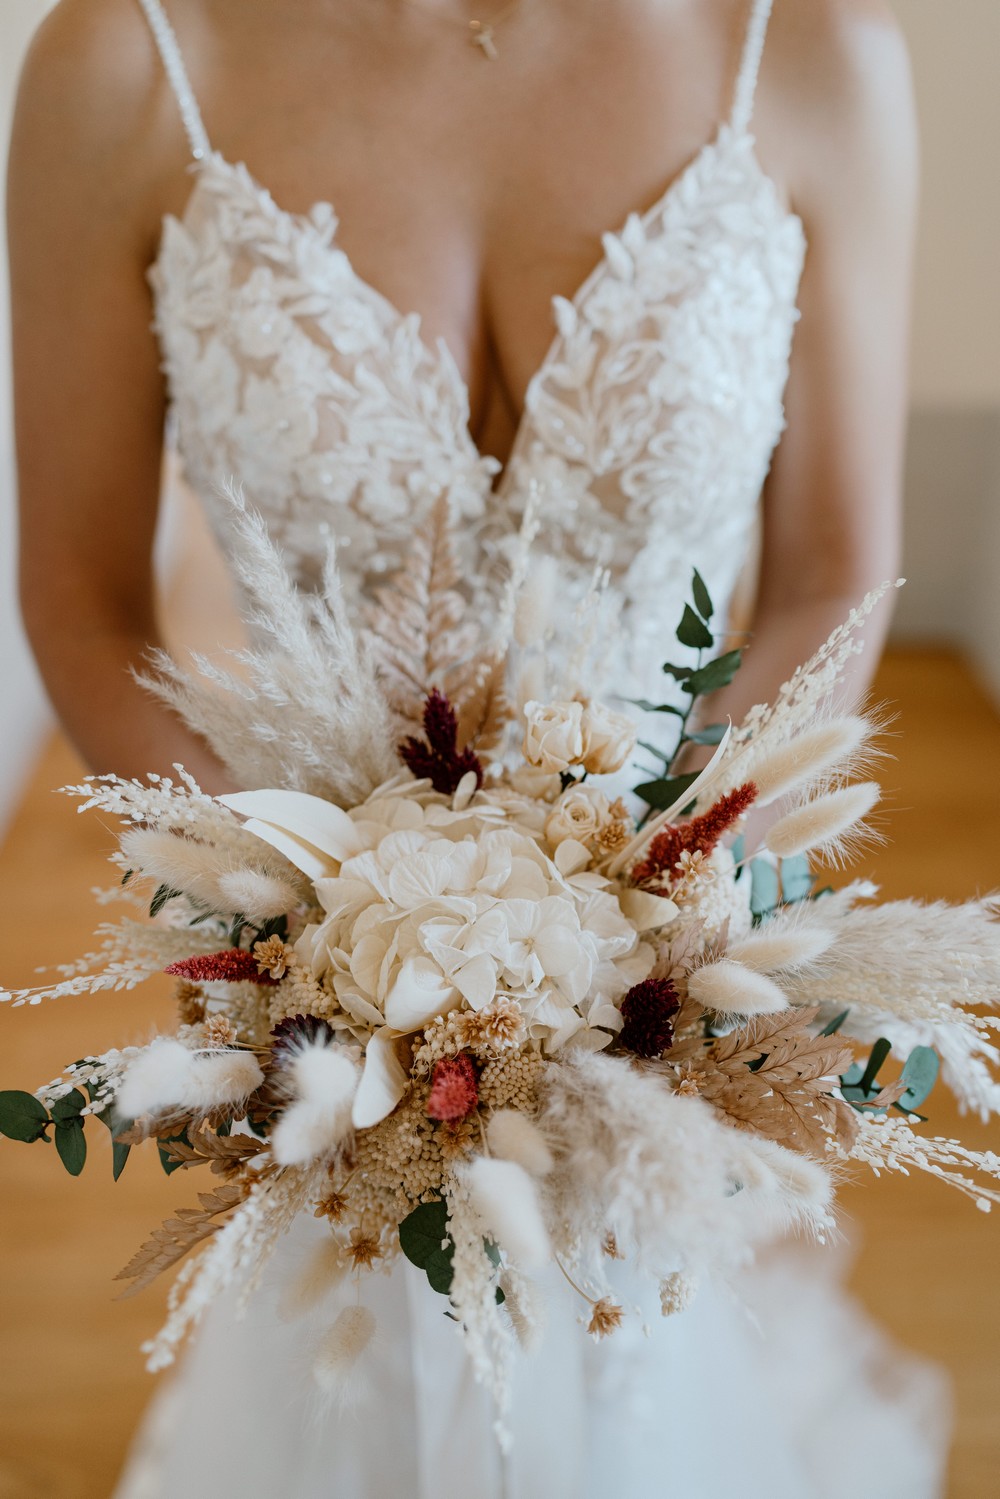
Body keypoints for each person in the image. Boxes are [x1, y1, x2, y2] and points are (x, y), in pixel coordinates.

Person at [8, 2, 945, 1495]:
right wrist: (308, 929)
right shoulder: (124, 59)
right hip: (335, 983)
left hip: (659, 966)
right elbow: (79, 595)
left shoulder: (813, 48)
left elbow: (838, 566)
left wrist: (664, 903)